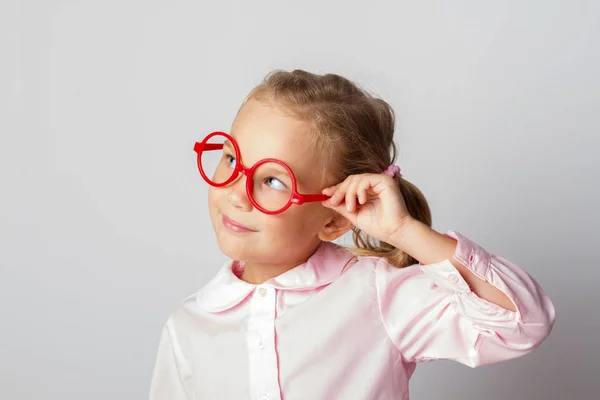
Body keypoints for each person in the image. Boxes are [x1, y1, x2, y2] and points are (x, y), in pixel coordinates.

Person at [148, 69, 555, 400]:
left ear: (334, 219)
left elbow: (521, 323)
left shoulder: (377, 294)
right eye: (231, 158)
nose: (237, 193)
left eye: (273, 181)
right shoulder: (189, 326)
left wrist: (403, 231)